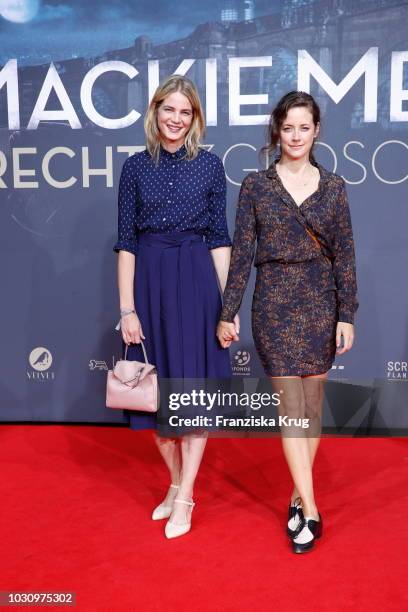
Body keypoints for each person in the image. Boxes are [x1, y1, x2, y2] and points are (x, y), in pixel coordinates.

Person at [217, 91, 358, 553]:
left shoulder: (334, 187)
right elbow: (242, 256)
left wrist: (346, 314)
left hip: (320, 301)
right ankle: (312, 510)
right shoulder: (256, 186)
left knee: (312, 409)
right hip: (274, 303)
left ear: (316, 131)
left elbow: (345, 258)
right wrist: (228, 310)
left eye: (304, 127)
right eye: (288, 127)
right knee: (291, 410)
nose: (295, 136)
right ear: (276, 130)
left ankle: (299, 494)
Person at [113, 75, 236, 539]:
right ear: (155, 112)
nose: (176, 119)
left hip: (195, 280)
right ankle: (174, 482)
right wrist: (127, 309)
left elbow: (219, 238)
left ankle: (185, 495)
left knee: (193, 396)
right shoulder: (134, 167)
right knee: (154, 397)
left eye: (186, 112)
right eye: (170, 110)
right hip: (148, 281)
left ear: (195, 118)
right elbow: (126, 243)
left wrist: (228, 306)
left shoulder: (209, 165)